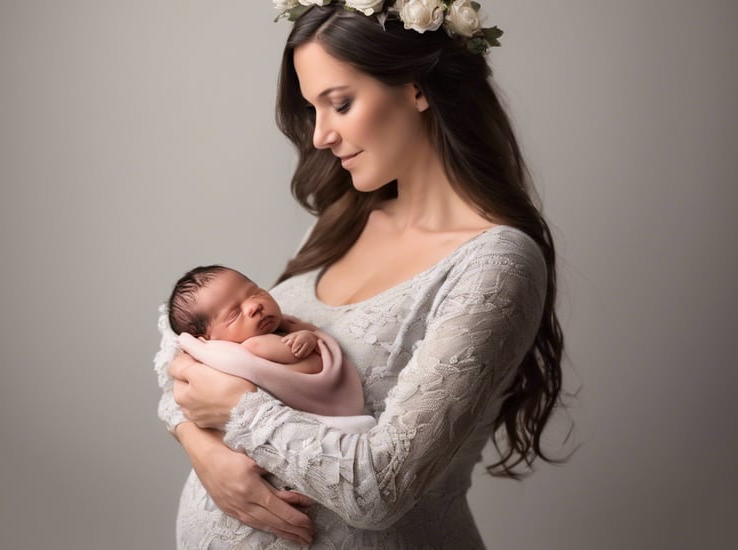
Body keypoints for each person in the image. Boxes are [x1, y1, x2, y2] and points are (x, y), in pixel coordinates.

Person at [155, 2, 565, 548]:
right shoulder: (339, 224)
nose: (321, 135)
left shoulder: (495, 265)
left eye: (340, 103)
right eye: (313, 110)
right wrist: (200, 447)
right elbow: (187, 356)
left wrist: (233, 414)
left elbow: (378, 490)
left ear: (418, 87)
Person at [164, 264, 376, 424]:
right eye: (234, 314)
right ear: (208, 338)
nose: (254, 306)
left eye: (255, 292)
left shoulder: (279, 327)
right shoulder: (254, 346)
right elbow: (298, 353)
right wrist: (308, 338)